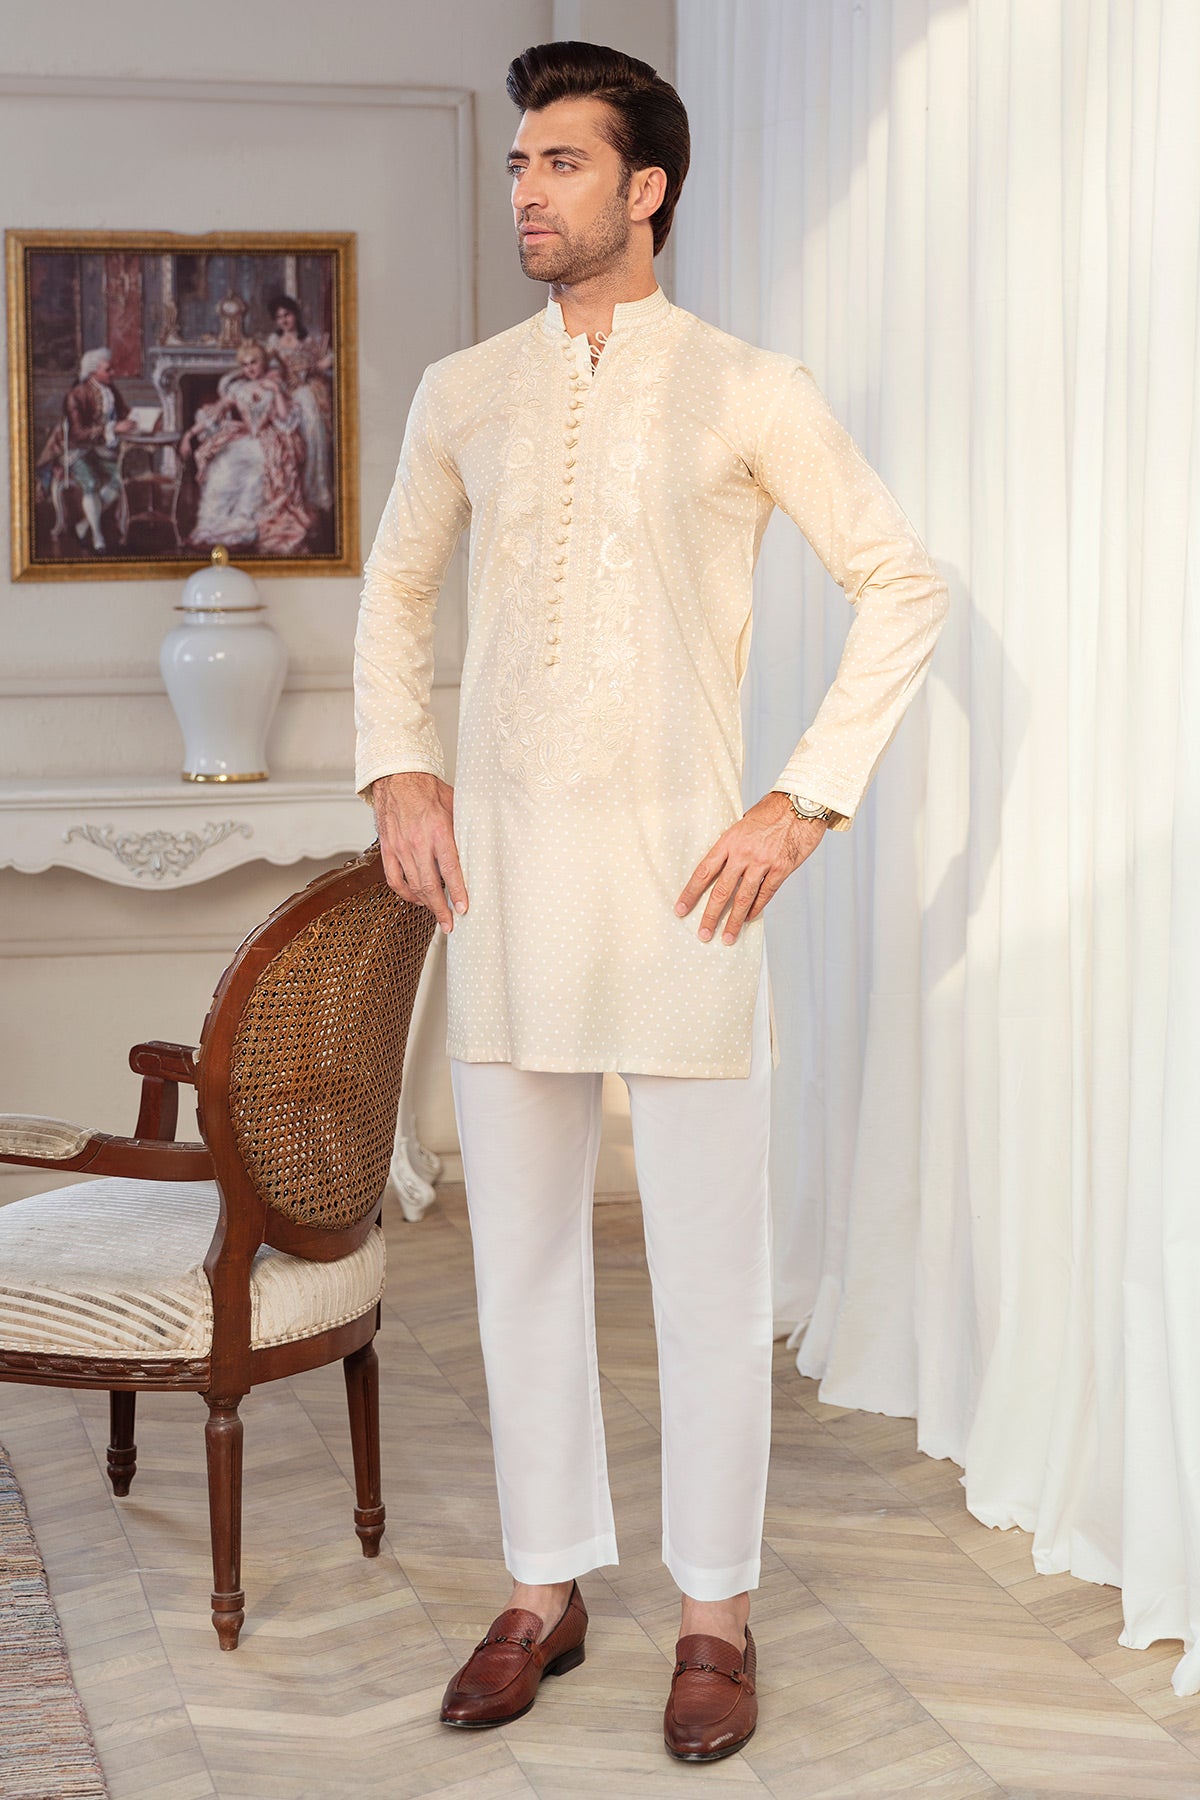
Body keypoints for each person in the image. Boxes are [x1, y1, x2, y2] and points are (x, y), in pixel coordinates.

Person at [355, 41, 949, 1764]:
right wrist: (400, 770)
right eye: (519, 163)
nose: (528, 190)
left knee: (706, 1269)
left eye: (562, 163)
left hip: (690, 891)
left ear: (648, 187)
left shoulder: (749, 388)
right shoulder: (466, 391)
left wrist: (803, 796)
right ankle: (541, 1587)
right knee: (523, 1259)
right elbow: (395, 594)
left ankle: (714, 1614)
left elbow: (901, 581)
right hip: (506, 885)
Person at [181, 338, 312, 555]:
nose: (249, 368)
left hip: (267, 440)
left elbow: (285, 418)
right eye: (245, 364)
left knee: (255, 474)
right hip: (243, 437)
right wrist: (189, 435)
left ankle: (243, 527)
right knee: (222, 467)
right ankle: (214, 526)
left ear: (263, 362)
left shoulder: (273, 385)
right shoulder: (238, 388)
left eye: (253, 362)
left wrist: (276, 391)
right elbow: (215, 413)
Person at [36, 347, 138, 551]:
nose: (113, 373)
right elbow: (77, 433)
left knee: (121, 479)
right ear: (93, 371)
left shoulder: (111, 390)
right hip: (73, 450)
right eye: (108, 369)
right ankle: (97, 537)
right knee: (90, 483)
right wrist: (112, 428)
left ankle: (84, 525)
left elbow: (124, 413)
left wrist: (139, 420)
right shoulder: (76, 394)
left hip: (99, 451)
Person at [266, 295, 335, 512]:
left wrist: (319, 366)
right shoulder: (273, 342)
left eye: (287, 315)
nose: (284, 321)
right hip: (284, 392)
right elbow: (269, 368)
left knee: (313, 428)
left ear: (295, 314)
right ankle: (289, 492)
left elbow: (329, 358)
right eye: (279, 317)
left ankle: (314, 490)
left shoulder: (308, 340)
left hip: (305, 390)